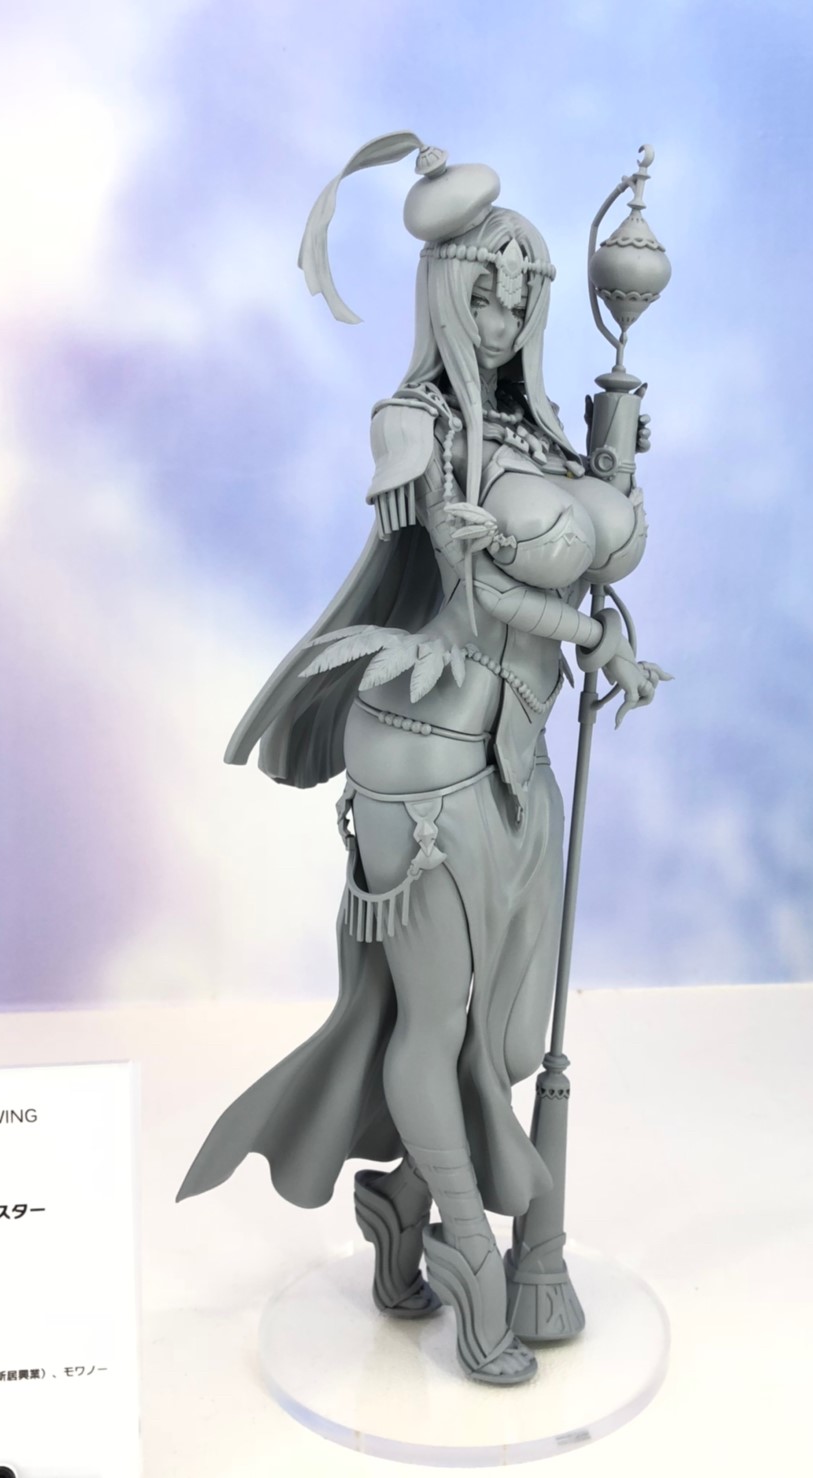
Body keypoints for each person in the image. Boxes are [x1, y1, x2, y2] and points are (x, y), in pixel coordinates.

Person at [178, 136, 667, 1385]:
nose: (502, 314)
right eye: (483, 288)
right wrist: (589, 633)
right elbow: (484, 585)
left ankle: (402, 1199)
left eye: (524, 290)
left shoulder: (540, 435)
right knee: (434, 1011)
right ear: (443, 289)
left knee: (502, 1035)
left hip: (516, 753)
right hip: (423, 754)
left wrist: (612, 470)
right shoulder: (414, 426)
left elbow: (593, 555)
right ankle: (471, 1255)